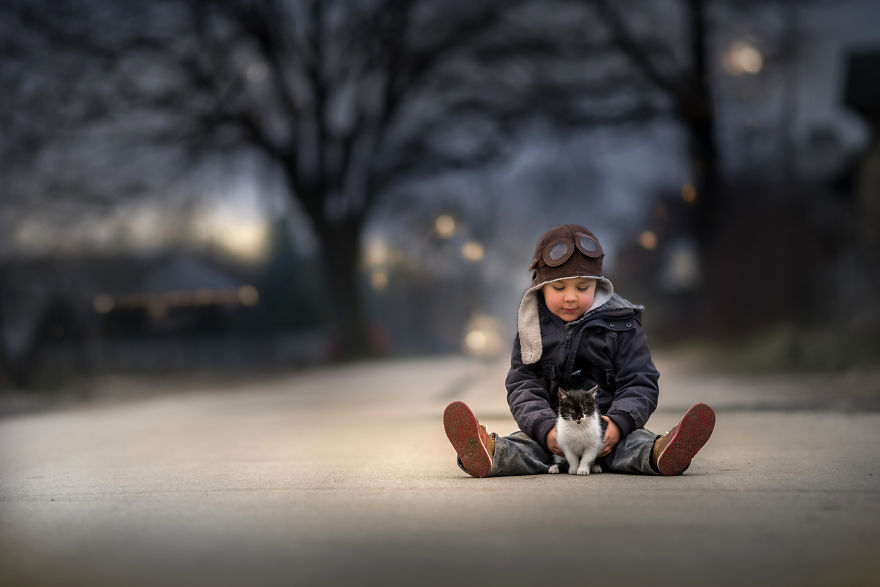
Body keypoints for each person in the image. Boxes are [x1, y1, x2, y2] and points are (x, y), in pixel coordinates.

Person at [443, 223, 715, 478]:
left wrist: (619, 423)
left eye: (582, 287)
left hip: (607, 432)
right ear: (540, 287)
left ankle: (661, 453)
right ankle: (488, 453)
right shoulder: (532, 327)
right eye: (559, 287)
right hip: (554, 436)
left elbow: (640, 380)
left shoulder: (622, 322)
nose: (570, 297)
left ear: (598, 285)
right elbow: (523, 384)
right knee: (524, 446)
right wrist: (545, 428)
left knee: (636, 443)